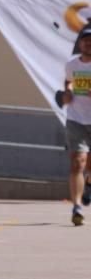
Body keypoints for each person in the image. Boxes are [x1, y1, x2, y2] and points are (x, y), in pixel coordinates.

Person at [61, 25, 91, 226]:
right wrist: (67, 93)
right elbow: (68, 82)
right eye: (85, 40)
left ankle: (88, 183)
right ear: (80, 43)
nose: (88, 43)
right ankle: (77, 207)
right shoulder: (71, 64)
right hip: (76, 120)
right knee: (77, 163)